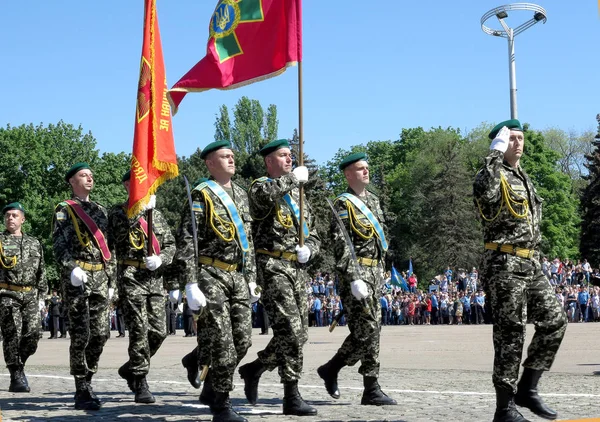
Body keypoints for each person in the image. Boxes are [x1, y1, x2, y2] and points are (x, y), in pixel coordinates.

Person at [474, 120, 567, 422]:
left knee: (555, 321)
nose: (517, 142)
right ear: (501, 143)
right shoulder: (493, 174)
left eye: (520, 137)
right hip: (504, 264)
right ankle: (504, 407)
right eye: (511, 138)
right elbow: (482, 193)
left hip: (530, 263)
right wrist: (493, 153)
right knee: (510, 334)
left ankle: (528, 388)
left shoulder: (524, 177)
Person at [176, 140, 259, 422]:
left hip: (237, 275)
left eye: (233, 156)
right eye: (225, 157)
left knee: (243, 341)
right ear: (210, 164)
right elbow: (188, 239)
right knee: (223, 343)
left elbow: (248, 242)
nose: (232, 160)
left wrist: (252, 279)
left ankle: (203, 372)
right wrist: (190, 283)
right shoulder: (202, 195)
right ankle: (222, 406)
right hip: (211, 275)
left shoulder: (242, 195)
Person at [239, 139, 320, 416]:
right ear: (269, 161)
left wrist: (310, 249)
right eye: (284, 156)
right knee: (290, 330)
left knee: (300, 334)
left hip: (298, 270)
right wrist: (292, 180)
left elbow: (314, 233)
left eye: (291, 156)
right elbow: (263, 198)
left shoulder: (299, 196)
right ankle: (291, 394)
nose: (289, 160)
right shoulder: (260, 186)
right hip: (273, 267)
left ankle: (255, 368)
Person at [317, 152, 397, 406]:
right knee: (368, 329)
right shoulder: (343, 204)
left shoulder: (373, 201)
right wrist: (353, 278)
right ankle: (340, 371)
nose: (366, 172)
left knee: (374, 330)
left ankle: (365, 384)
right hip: (357, 275)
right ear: (348, 174)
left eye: (367, 168)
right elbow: (341, 245)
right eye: (360, 169)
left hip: (375, 273)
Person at [108, 170, 176, 403]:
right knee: (138, 331)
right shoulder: (118, 211)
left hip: (154, 278)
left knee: (159, 331)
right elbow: (122, 231)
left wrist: (161, 259)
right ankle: (140, 381)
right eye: (137, 183)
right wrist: (143, 210)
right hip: (131, 277)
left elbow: (170, 245)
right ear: (127, 185)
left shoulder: (156, 214)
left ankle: (130, 367)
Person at [52, 162, 117, 410]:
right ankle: (82, 388)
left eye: (91, 175)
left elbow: (108, 249)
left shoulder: (100, 210)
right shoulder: (64, 209)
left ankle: (88, 378)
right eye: (83, 175)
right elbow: (59, 245)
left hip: (100, 277)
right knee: (81, 333)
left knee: (101, 333)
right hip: (77, 278)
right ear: (72, 181)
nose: (89, 178)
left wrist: (111, 280)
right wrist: (71, 268)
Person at [0, 202, 46, 392]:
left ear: (22, 219)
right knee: (12, 334)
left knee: (33, 334)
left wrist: (43, 296)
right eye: (7, 215)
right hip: (7, 293)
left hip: (30, 294)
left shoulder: (34, 242)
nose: (10, 218)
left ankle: (20, 364)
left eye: (14, 215)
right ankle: (16, 374)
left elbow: (41, 271)